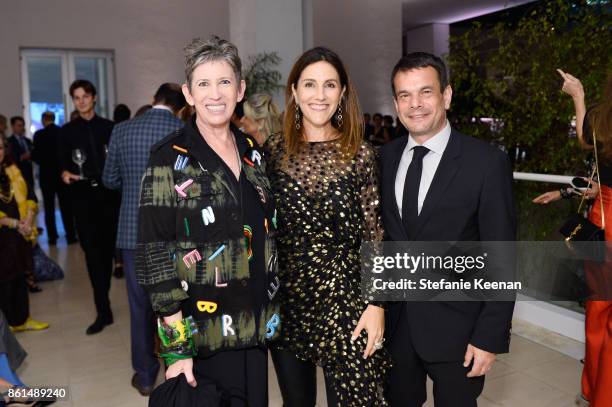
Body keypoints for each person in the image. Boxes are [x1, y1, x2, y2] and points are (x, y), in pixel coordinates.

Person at [136, 36, 279, 406]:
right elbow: (153, 253)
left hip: (254, 328)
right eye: (203, 83)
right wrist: (176, 348)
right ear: (188, 93)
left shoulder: (252, 152)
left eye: (225, 82)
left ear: (240, 89)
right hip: (202, 337)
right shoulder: (168, 157)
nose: (215, 94)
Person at [380, 52, 516, 407]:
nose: (416, 104)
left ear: (447, 95)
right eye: (405, 95)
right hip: (396, 327)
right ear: (395, 103)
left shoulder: (486, 162)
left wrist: (490, 336)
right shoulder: (383, 159)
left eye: (426, 92)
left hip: (460, 329)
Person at [263, 47, 389, 406]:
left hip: (348, 299)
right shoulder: (272, 151)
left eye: (329, 85)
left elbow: (374, 233)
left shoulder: (361, 153)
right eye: (310, 84)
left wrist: (376, 304)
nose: (320, 95)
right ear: (294, 92)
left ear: (343, 93)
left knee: (353, 400)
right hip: (288, 300)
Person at [102, 82, 186, 396]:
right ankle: (176, 369)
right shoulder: (184, 130)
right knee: (175, 304)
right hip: (174, 234)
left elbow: (109, 180)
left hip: (132, 231)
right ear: (182, 106)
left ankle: (146, 375)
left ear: (153, 100)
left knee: (140, 308)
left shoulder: (123, 130)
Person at [535, 71, 612, 407]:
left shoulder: (603, 118)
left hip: (603, 222)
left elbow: (586, 139)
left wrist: (578, 96)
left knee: (597, 313)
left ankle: (593, 391)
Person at [59, 79, 117, 335]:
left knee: (107, 256)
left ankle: (103, 301)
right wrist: (63, 173)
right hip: (83, 200)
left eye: (85, 96)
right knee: (93, 258)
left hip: (109, 198)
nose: (81, 101)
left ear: (94, 97)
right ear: (73, 101)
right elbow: (59, 166)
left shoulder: (110, 128)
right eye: (76, 97)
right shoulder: (67, 131)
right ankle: (103, 311)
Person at [0, 137, 49, 333]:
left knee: (21, 274)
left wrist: (28, 218)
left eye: (1, 147)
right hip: (3, 233)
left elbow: (30, 195)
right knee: (4, 280)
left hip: (20, 232)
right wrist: (13, 223)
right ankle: (6, 326)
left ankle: (22, 319)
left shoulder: (13, 169)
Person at [32, 111, 77, 245]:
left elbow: (36, 156)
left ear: (43, 120)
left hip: (46, 176)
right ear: (54, 119)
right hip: (61, 174)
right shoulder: (61, 132)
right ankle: (70, 235)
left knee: (49, 208)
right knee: (66, 207)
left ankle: (52, 237)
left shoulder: (39, 135)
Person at [6, 117, 34, 189]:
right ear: (12, 127)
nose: (21, 128)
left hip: (29, 176)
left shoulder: (28, 141)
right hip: (17, 176)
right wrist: (21, 157)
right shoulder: (8, 142)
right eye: (19, 125)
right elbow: (8, 158)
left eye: (22, 125)